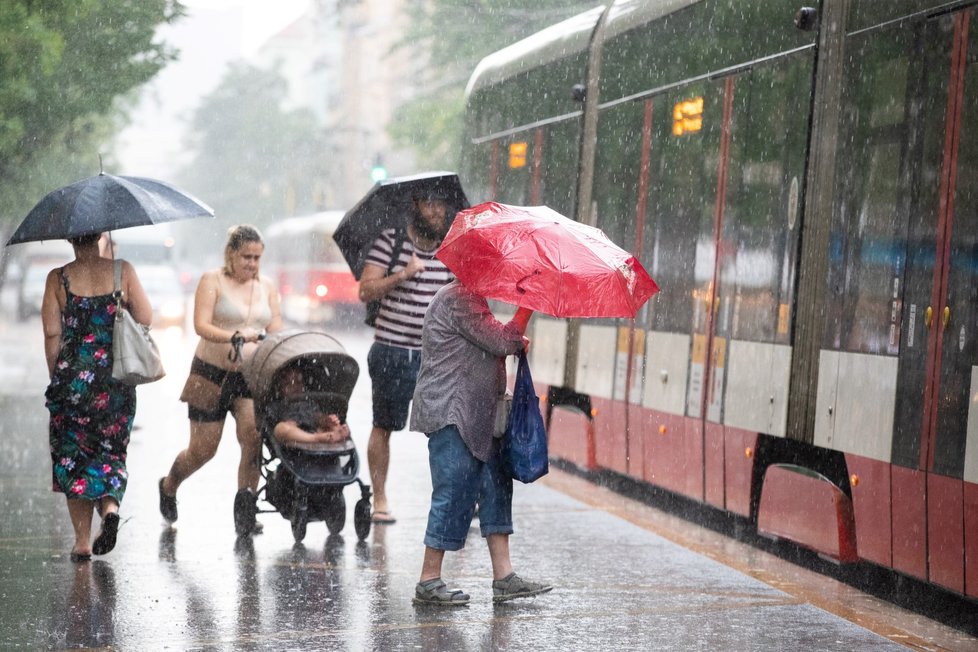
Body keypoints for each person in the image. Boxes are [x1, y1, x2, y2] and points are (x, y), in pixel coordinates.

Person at [409, 279, 552, 605]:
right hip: (453, 413)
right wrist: (527, 305)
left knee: (495, 486)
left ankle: (504, 576)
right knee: (454, 488)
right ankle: (428, 579)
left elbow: (489, 340)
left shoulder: (469, 296)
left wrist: (512, 340)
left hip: (478, 414)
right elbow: (500, 341)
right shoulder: (460, 296)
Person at [158, 225, 283, 535]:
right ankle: (169, 484)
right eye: (246, 257)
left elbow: (276, 327)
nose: (252, 264)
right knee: (203, 450)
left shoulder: (266, 286)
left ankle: (246, 508)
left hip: (250, 376)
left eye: (257, 258)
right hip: (210, 373)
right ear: (231, 254)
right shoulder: (211, 280)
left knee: (252, 437)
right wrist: (234, 336)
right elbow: (200, 324)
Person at [41, 232, 153, 561]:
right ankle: (110, 509)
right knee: (110, 453)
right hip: (115, 380)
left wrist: (59, 377)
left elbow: (51, 334)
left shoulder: (58, 278)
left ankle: (82, 542)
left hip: (73, 381)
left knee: (74, 457)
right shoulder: (123, 271)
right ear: (101, 235)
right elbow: (145, 318)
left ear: (70, 239)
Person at [358, 190, 455, 524]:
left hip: (436, 357)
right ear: (416, 207)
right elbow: (365, 290)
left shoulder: (451, 250)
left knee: (448, 428)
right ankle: (380, 499)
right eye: (430, 203)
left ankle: (452, 499)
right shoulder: (392, 242)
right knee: (384, 425)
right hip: (392, 351)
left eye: (441, 203)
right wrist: (402, 274)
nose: (437, 210)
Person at [270, 365, 350, 448]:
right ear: (280, 388)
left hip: (315, 429)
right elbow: (273, 419)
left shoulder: (308, 402)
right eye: (288, 384)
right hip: (295, 433)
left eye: (298, 382)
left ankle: (335, 434)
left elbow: (317, 416)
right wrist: (291, 422)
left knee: (330, 424)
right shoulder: (278, 404)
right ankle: (317, 438)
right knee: (280, 429)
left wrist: (327, 420)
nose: (294, 387)